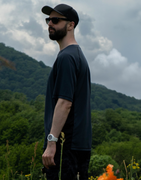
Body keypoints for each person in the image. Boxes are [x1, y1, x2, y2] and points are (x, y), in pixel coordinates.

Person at [41, 3, 92, 180]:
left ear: (71, 25)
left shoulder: (67, 57)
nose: (50, 24)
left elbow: (64, 103)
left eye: (55, 20)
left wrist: (51, 142)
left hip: (66, 146)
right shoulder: (76, 55)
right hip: (77, 145)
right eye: (48, 20)